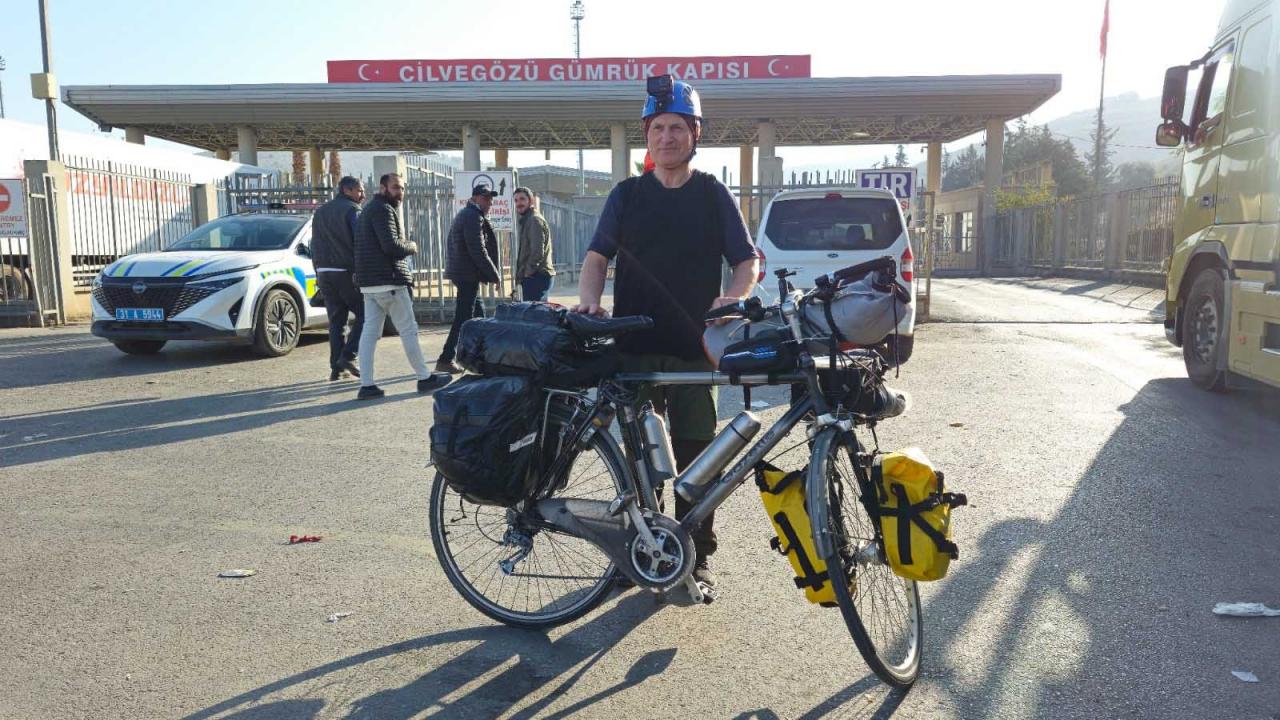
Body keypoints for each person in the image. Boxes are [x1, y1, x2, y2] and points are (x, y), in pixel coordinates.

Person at [573, 75, 759, 589]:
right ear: (647, 136)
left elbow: (746, 261)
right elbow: (596, 258)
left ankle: (695, 555)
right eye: (657, 128)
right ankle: (640, 550)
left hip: (695, 348)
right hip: (635, 348)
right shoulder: (627, 195)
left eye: (677, 127)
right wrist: (589, 300)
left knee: (699, 458)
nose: (666, 137)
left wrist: (735, 296)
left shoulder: (712, 193)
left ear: (695, 133)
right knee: (637, 460)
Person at [352, 173, 450, 399]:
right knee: (408, 330)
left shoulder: (367, 210)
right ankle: (424, 377)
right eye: (396, 187)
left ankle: (367, 385)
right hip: (389, 281)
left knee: (369, 333)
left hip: (369, 284)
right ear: (383, 188)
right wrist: (412, 246)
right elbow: (391, 246)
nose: (400, 192)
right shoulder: (384, 210)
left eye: (402, 188)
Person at [436, 183, 501, 374]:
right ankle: (446, 358)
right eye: (485, 198)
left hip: (465, 273)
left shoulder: (468, 214)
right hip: (467, 275)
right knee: (463, 318)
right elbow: (477, 250)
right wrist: (495, 275)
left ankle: (483, 356)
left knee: (479, 316)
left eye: (490, 199)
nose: (489, 202)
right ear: (474, 198)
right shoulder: (472, 216)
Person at [310, 176, 366, 382]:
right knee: (367, 315)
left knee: (336, 321)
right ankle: (349, 356)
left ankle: (337, 368)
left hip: (324, 272)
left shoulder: (320, 212)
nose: (363, 195)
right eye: (359, 190)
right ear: (347, 190)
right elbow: (360, 241)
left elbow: (314, 244)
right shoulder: (353, 210)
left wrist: (318, 271)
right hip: (346, 271)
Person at [513, 187, 555, 302]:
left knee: (533, 311)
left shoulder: (534, 220)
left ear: (530, 201)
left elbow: (537, 251)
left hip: (537, 277)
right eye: (516, 200)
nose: (519, 203)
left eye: (522, 199)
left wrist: (527, 273)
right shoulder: (528, 219)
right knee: (537, 311)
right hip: (535, 276)